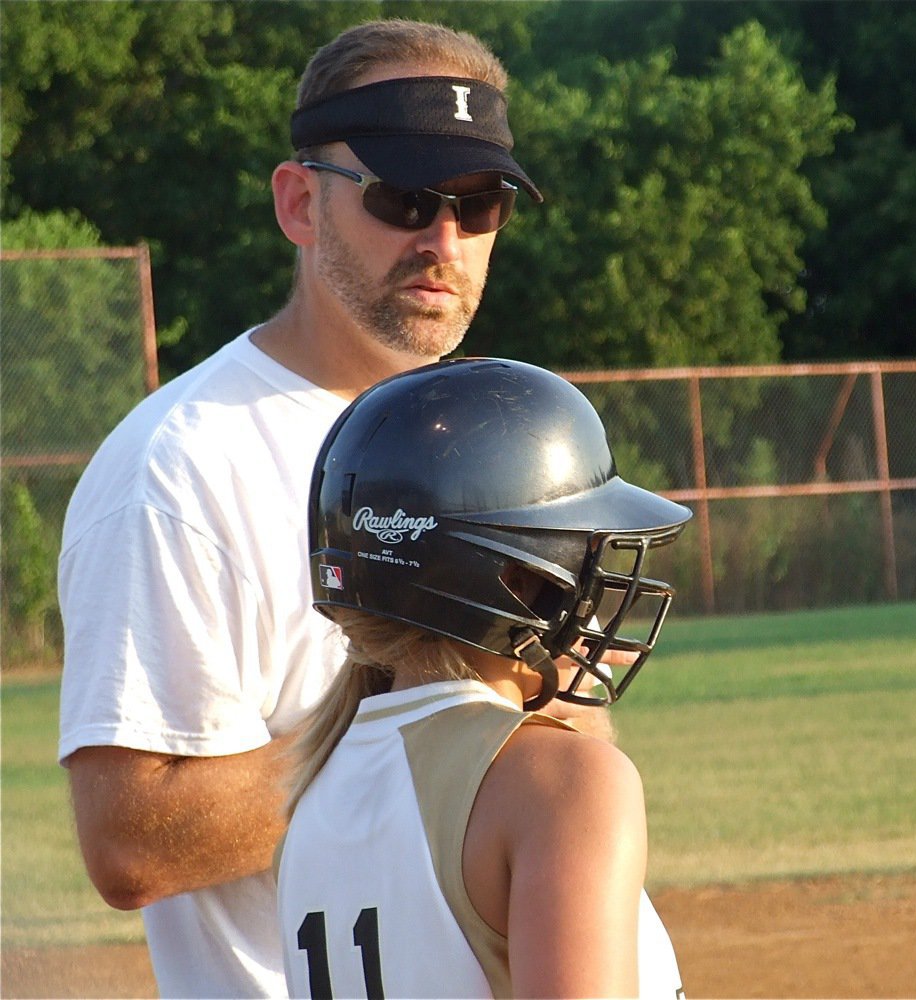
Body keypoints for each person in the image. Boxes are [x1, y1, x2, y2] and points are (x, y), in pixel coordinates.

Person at [57, 19, 547, 999]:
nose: (443, 240)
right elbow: (130, 841)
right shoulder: (182, 466)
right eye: (402, 196)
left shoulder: (494, 442)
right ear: (299, 202)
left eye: (478, 203)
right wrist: (455, 716)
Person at [277, 357, 691, 998]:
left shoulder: (313, 801)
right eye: (583, 556)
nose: (592, 600)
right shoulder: (561, 784)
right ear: (519, 576)